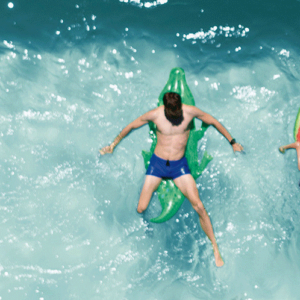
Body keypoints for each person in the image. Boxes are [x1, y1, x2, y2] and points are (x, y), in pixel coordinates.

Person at [100, 92, 243, 267]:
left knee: (199, 206)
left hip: (179, 167)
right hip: (157, 165)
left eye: (178, 110)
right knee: (140, 208)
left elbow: (212, 121)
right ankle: (148, 228)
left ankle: (214, 247)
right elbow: (130, 127)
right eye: (172, 111)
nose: (176, 114)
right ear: (166, 108)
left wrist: (232, 142)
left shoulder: (189, 112)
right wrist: (113, 145)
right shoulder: (155, 115)